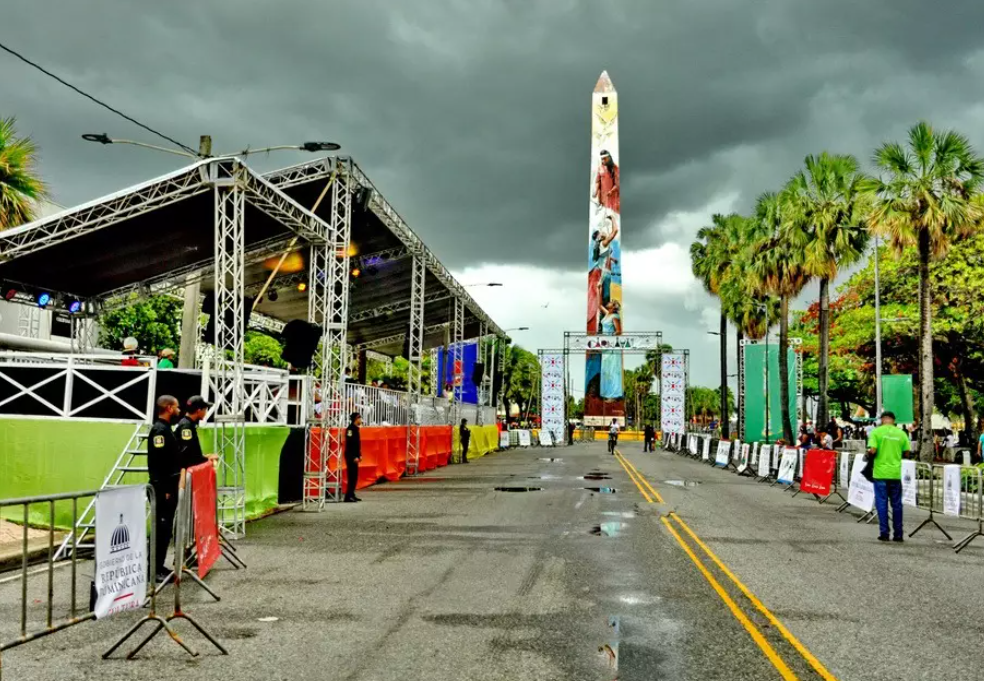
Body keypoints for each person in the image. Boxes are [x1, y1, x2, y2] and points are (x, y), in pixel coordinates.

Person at [147, 395, 182, 580]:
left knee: (165, 530)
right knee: (161, 530)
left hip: (168, 487)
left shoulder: (167, 429)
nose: (179, 410)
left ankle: (158, 566)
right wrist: (165, 490)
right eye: (176, 407)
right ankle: (153, 569)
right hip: (163, 489)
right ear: (168, 408)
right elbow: (160, 464)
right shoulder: (160, 431)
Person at [867, 411, 910, 542]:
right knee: (897, 504)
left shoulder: (876, 432)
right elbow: (907, 453)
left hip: (880, 473)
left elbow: (873, 450)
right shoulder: (901, 433)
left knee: (881, 503)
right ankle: (898, 534)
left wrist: (869, 454)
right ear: (893, 420)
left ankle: (884, 533)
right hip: (895, 473)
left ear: (882, 419)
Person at [174, 395, 216, 470]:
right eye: (205, 409)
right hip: (185, 471)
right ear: (199, 410)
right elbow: (187, 454)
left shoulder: (188, 424)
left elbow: (191, 451)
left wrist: (205, 456)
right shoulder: (186, 426)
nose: (206, 412)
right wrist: (206, 459)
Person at [344, 412, 362, 503]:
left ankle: (352, 494)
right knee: (351, 476)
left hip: (355, 456)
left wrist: (359, 455)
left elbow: (357, 445)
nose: (361, 419)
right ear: (355, 419)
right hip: (350, 456)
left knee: (355, 476)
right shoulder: (350, 430)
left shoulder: (356, 429)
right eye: (359, 418)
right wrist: (353, 457)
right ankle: (348, 496)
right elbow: (350, 445)